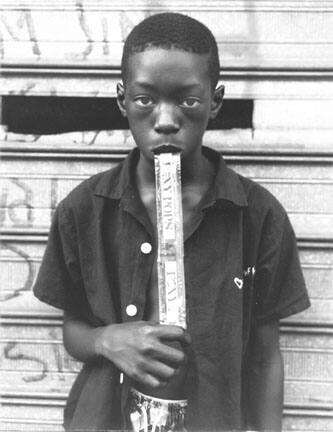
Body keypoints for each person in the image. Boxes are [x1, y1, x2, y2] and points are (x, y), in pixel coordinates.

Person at [33, 12, 310, 431]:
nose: (165, 119)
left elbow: (266, 357)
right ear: (122, 99)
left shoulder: (257, 215)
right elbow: (74, 329)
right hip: (106, 419)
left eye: (188, 100)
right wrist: (107, 340)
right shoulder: (84, 210)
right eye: (145, 99)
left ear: (214, 101)